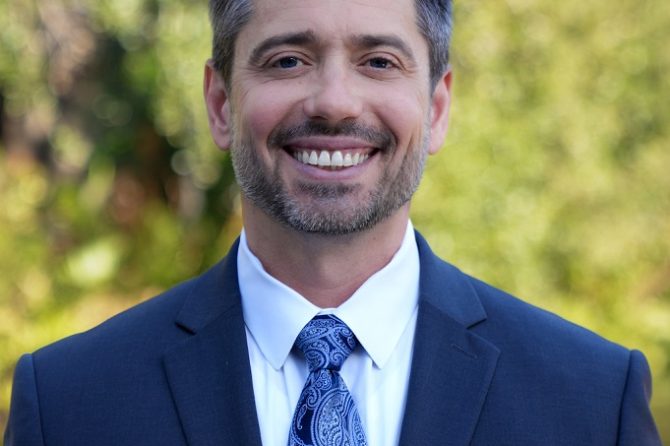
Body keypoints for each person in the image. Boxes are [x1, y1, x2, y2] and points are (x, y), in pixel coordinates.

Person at [4, 0, 662, 444]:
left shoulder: (591, 401)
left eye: (379, 62)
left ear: (436, 108)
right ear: (221, 102)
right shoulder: (70, 404)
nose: (336, 103)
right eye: (288, 59)